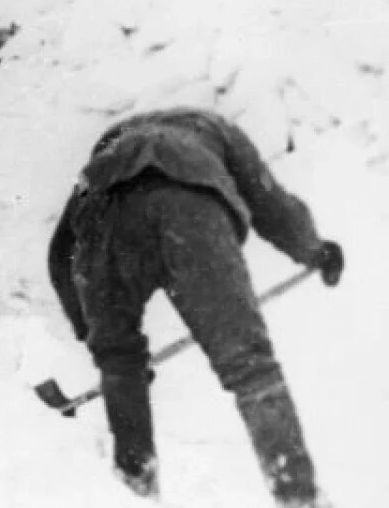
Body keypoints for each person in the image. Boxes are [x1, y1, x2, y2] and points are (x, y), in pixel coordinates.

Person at [47, 108, 344, 506]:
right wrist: (314, 249)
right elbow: (269, 201)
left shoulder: (109, 147)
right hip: (190, 214)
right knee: (251, 367)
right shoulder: (213, 127)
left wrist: (100, 339)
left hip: (107, 223)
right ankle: (298, 497)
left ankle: (137, 487)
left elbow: (61, 250)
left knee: (121, 364)